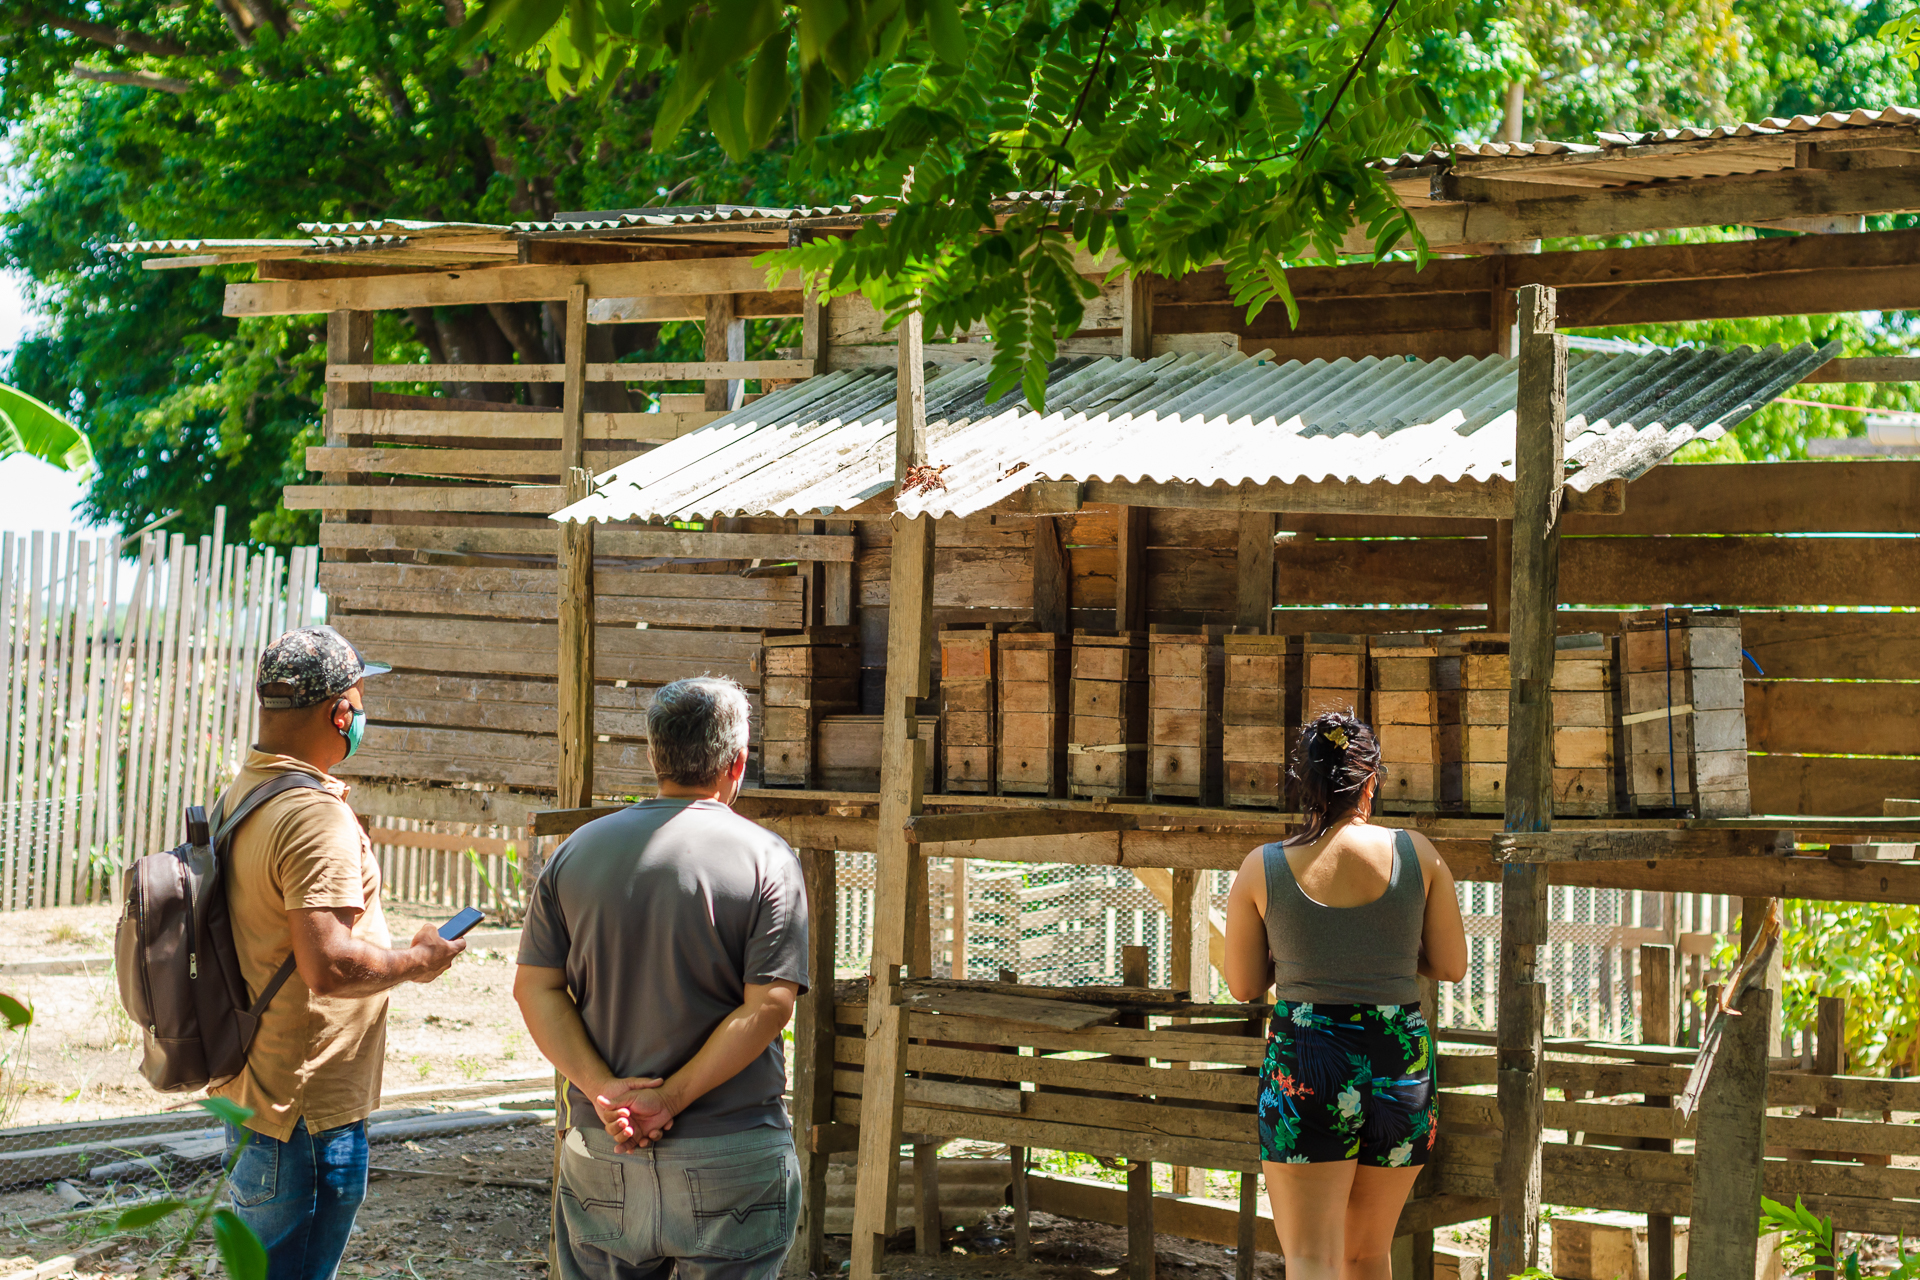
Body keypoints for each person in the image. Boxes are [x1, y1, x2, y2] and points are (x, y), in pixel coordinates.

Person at [515, 675, 809, 1280]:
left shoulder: (574, 853)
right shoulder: (767, 859)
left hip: (603, 1151)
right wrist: (668, 1099)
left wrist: (605, 1091)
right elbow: (769, 1006)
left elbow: (534, 988)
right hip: (731, 1157)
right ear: (738, 763)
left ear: (655, 757)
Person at [217, 625, 466, 1280]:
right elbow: (327, 965)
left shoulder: (246, 792)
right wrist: (418, 961)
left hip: (260, 1089)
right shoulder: (312, 815)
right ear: (339, 713)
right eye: (359, 700)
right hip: (305, 1111)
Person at [1223, 711, 1469, 1280]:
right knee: (1368, 1255)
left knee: (1312, 1257)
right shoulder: (1419, 854)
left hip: (1308, 1064)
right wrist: (1386, 952)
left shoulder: (1263, 866)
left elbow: (1244, 985)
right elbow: (1451, 965)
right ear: (1371, 781)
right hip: (1400, 1064)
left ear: (1304, 782)